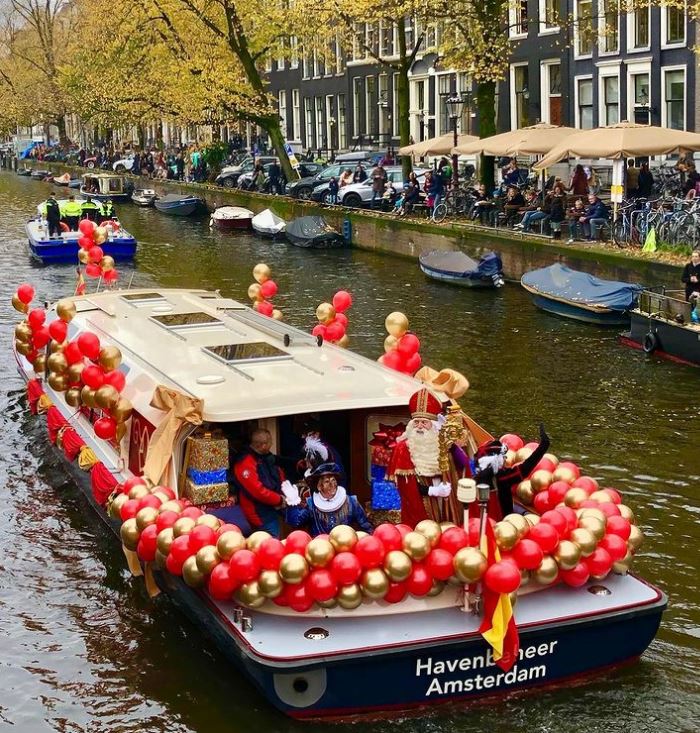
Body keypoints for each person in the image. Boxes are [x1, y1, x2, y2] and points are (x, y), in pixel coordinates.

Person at [387, 388, 454, 527]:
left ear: (434, 425)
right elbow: (406, 486)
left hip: (445, 498)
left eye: (424, 422)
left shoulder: (442, 442)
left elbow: (460, 465)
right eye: (416, 422)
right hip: (421, 500)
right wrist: (432, 491)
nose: (419, 427)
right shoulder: (404, 448)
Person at [474, 424, 550, 519]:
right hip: (500, 520)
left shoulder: (474, 468)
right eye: (503, 456)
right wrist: (543, 447)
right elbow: (525, 469)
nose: (505, 458)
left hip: (479, 516)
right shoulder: (501, 477)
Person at [285, 463, 373, 537]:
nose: (332, 484)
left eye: (333, 480)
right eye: (327, 481)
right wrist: (293, 503)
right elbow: (296, 522)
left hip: (345, 550)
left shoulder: (351, 502)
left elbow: (366, 527)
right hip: (319, 551)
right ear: (319, 486)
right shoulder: (311, 504)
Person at [233, 428, 291, 537]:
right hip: (260, 513)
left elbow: (277, 470)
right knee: (271, 539)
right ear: (264, 445)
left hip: (271, 507)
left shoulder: (264, 456)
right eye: (270, 443)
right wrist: (279, 499)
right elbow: (257, 491)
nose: (271, 445)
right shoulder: (246, 462)